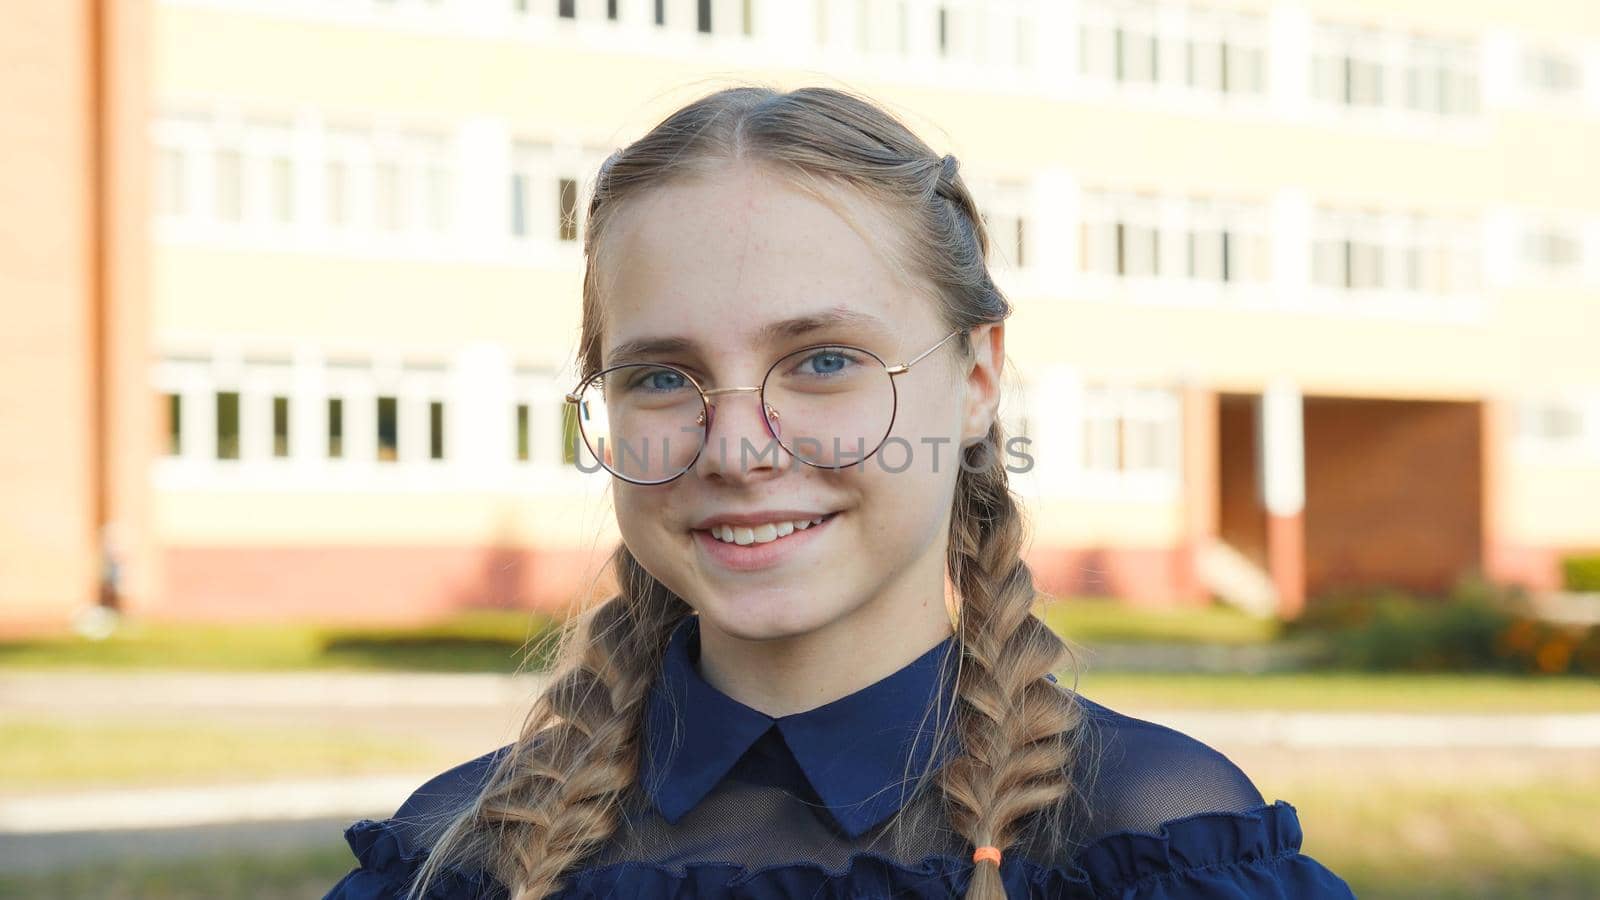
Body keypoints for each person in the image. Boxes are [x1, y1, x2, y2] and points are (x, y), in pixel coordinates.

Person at [322, 85, 1356, 900]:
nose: (734, 447)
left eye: (821, 361)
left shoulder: (1145, 840)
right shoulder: (454, 859)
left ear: (979, 377)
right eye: (663, 376)